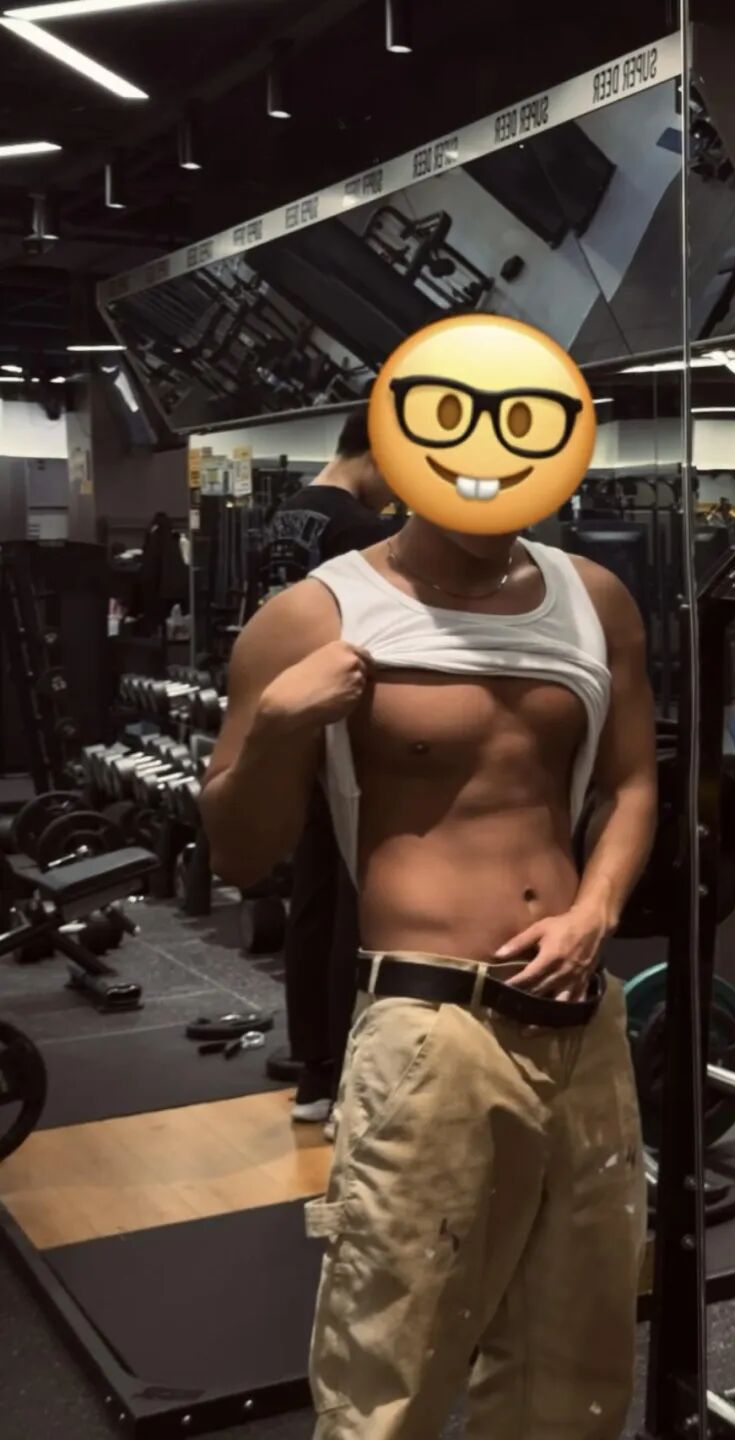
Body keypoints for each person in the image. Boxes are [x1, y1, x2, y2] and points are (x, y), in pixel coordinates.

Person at [201, 511, 657, 1437]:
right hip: (431, 1026)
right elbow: (238, 855)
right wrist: (282, 725)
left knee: (577, 1367)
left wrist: (595, 911)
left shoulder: (593, 598)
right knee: (390, 1373)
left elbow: (632, 783)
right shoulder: (314, 615)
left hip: (579, 1018)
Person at [263, 410, 396, 1123]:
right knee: (355, 897)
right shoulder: (359, 529)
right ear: (376, 453)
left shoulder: (286, 517)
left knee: (313, 893)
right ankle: (345, 1071)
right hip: (345, 722)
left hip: (296, 721)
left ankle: (315, 1073)